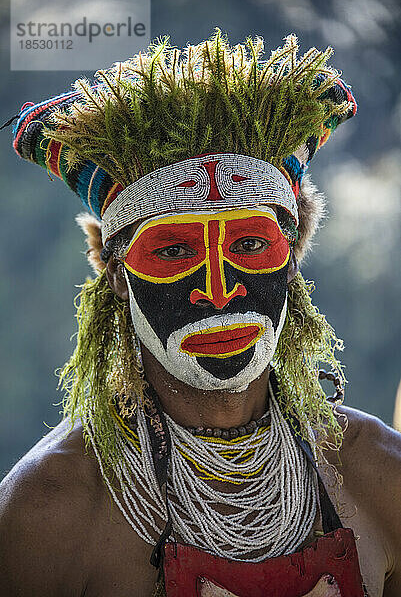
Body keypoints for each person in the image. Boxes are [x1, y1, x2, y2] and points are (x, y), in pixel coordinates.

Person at [0, 32, 400, 597]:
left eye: (250, 246)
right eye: (172, 251)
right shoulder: (50, 511)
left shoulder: (381, 477)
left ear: (291, 263)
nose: (218, 292)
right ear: (117, 277)